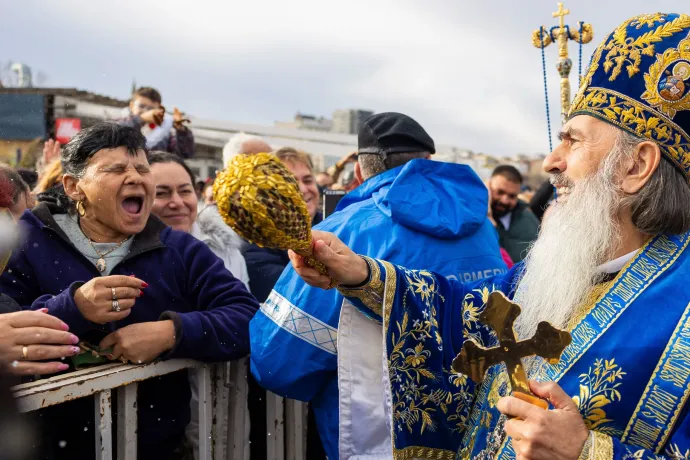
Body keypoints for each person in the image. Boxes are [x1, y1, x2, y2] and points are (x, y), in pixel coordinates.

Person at [287, 14, 690, 459]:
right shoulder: (567, 266)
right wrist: (364, 274)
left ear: (636, 167)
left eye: (573, 141)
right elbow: (473, 313)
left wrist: (588, 452)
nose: (551, 162)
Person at [251, 112, 507, 460]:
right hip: (480, 430)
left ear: (359, 171)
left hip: (385, 440)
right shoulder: (482, 226)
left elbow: (276, 362)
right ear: (426, 163)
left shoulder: (346, 229)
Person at [0, 122, 259, 458]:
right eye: (116, 169)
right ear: (74, 186)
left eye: (141, 168)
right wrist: (74, 308)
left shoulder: (179, 249)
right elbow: (6, 324)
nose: (135, 178)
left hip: (155, 448)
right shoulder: (28, 242)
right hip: (47, 445)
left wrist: (171, 332)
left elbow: (247, 316)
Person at [148, 150, 250, 459]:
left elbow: (244, 318)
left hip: (222, 399)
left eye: (184, 190)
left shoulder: (227, 250)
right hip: (157, 411)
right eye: (161, 193)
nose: (177, 202)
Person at [242, 147, 321, 303]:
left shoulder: (339, 224)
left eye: (307, 180)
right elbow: (303, 294)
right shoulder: (255, 243)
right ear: (266, 193)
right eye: (289, 182)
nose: (303, 189)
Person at [117, 86, 195, 158]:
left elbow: (185, 153)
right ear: (131, 105)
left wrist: (181, 130)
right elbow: (116, 135)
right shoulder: (121, 122)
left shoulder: (166, 131)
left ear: (159, 110)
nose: (146, 111)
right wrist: (140, 119)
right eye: (141, 106)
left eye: (151, 108)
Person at [488, 165, 540, 262]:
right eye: (499, 192)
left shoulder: (529, 222)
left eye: (512, 196)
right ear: (489, 188)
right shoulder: (474, 220)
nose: (505, 201)